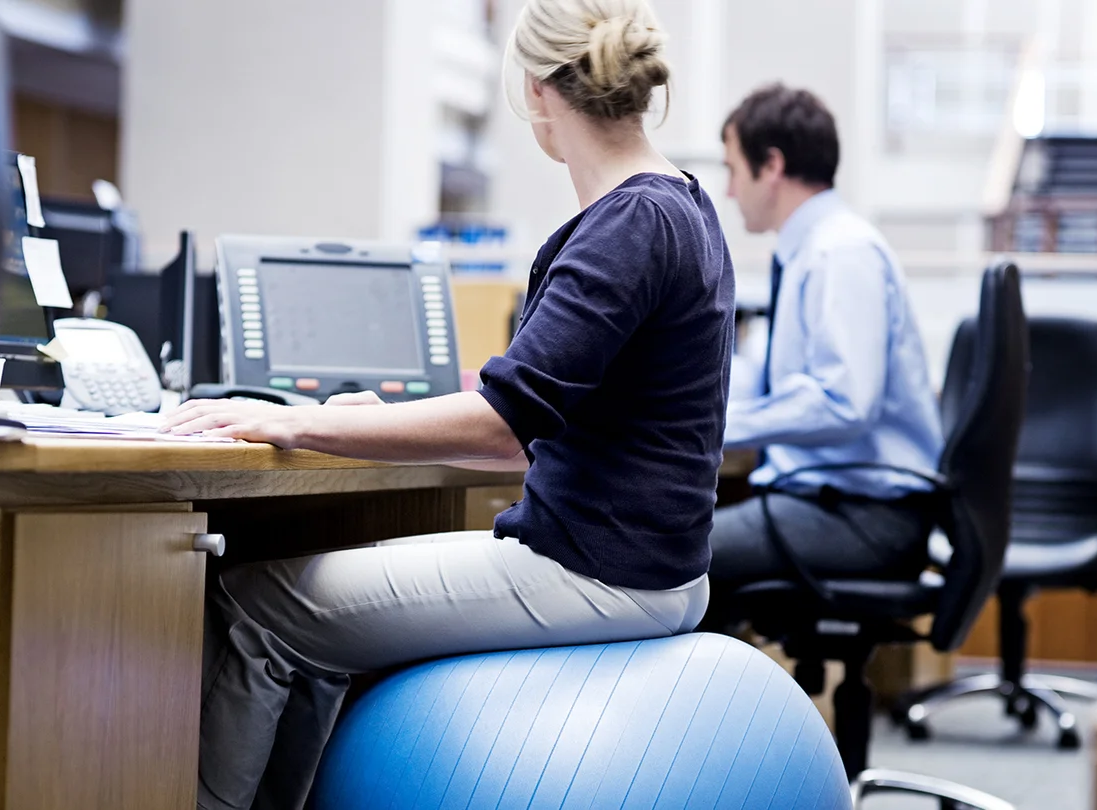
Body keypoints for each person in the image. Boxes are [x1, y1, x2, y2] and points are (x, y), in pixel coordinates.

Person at [163, 2, 736, 807]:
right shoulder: (684, 204)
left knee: (255, 606)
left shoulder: (628, 222)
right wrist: (361, 422)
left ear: (539, 91)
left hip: (598, 573)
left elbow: (505, 421)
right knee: (314, 622)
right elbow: (524, 436)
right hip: (656, 569)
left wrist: (294, 419)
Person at [705, 84, 944, 615]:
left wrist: (716, 425)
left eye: (732, 170)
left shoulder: (841, 254)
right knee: (673, 545)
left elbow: (843, 403)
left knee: (669, 554)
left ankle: (721, 700)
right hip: (837, 505)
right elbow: (775, 375)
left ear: (771, 165)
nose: (727, 190)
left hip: (867, 518)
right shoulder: (812, 250)